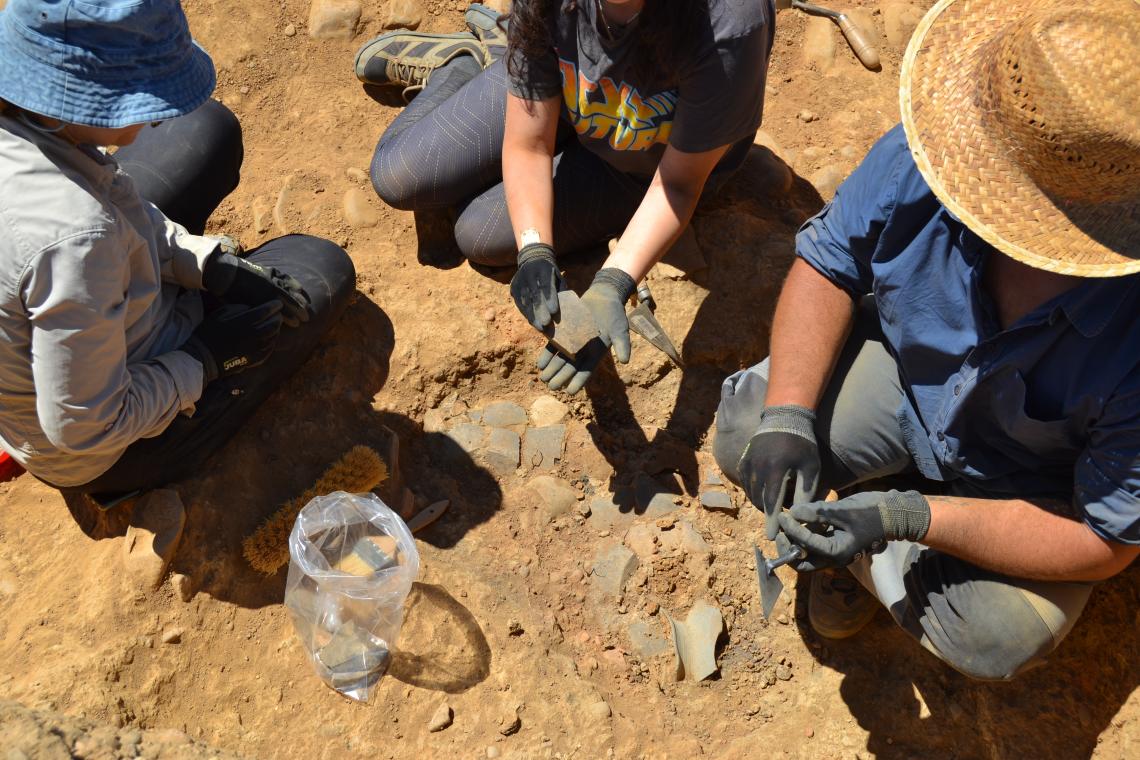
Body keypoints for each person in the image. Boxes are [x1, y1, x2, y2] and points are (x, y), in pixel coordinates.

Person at [713, 0, 1140, 680]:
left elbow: (1102, 539)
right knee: (749, 437)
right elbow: (828, 263)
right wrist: (791, 414)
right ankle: (870, 533)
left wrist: (905, 516)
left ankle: (865, 546)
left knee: (995, 637)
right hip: (907, 383)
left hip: (1031, 487)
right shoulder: (942, 150)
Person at [0, 0, 356, 500]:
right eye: (142, 101)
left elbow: (119, 207)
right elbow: (83, 429)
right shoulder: (77, 238)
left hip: (72, 300)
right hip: (104, 446)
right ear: (81, 101)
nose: (155, 118)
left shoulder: (34, 133)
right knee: (321, 267)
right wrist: (204, 360)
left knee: (204, 128)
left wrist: (206, 263)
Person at [356, 0, 775, 393]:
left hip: (645, 158)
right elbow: (528, 144)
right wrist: (535, 249)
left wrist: (614, 281)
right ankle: (466, 63)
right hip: (566, 91)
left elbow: (679, 184)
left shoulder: (728, 23)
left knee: (479, 234)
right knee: (399, 175)